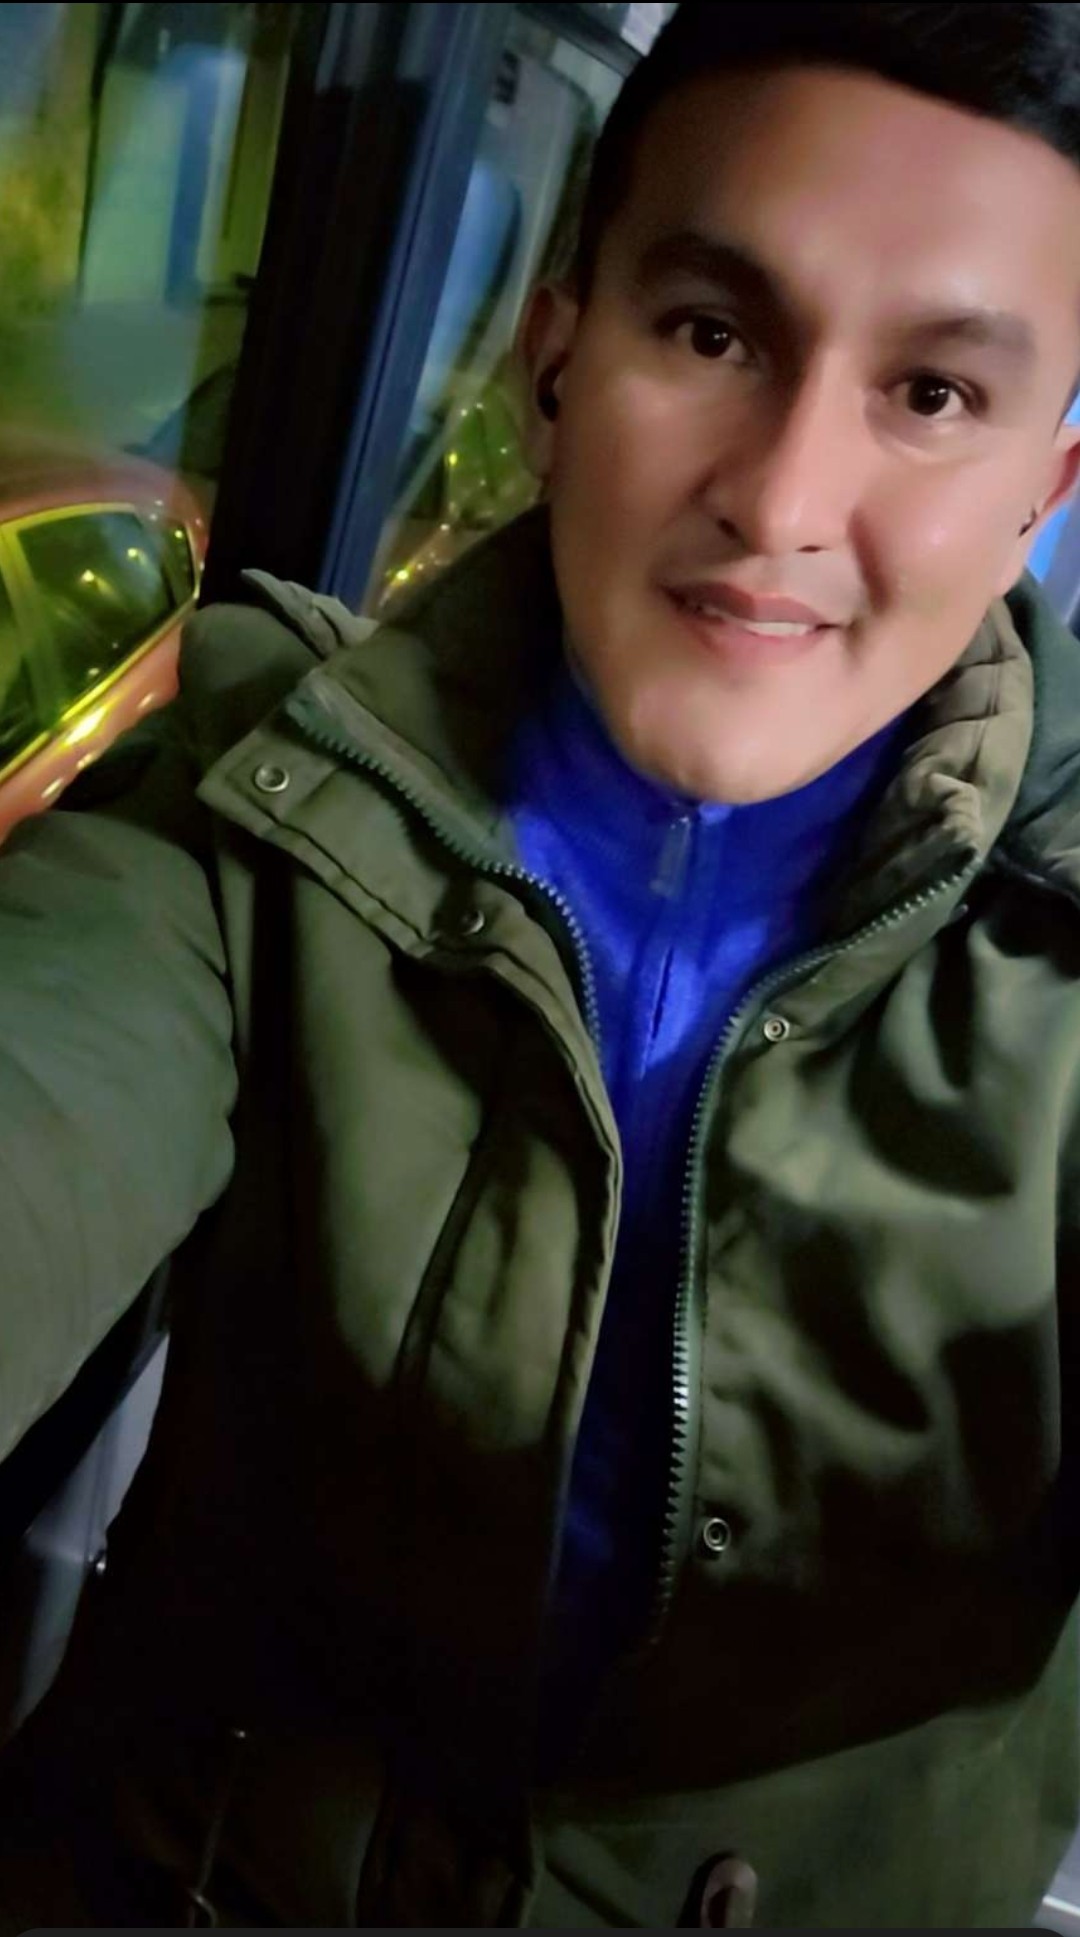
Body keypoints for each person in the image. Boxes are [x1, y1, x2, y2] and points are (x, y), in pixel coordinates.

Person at [2, 1, 1080, 1925]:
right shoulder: (262, 787)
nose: (781, 501)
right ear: (557, 350)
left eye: (932, 393)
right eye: (713, 333)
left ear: (1042, 494)